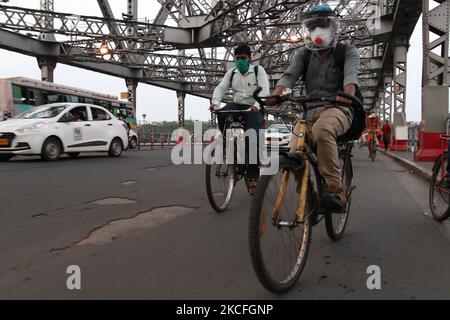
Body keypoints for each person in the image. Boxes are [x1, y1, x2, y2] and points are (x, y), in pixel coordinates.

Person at [266, 5, 360, 212]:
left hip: (338, 108)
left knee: (322, 131)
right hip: (309, 110)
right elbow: (289, 76)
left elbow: (351, 78)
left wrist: (348, 95)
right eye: (313, 26)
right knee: (294, 150)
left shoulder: (347, 52)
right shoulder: (304, 54)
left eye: (323, 25)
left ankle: (334, 190)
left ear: (333, 28)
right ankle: (307, 196)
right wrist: (276, 94)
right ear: (307, 31)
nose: (318, 30)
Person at [211, 44, 270, 194]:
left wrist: (258, 104)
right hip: (238, 104)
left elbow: (265, 90)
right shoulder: (232, 73)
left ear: (249, 59)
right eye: (237, 59)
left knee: (252, 140)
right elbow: (221, 88)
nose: (240, 61)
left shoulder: (258, 71)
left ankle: (252, 178)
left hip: (254, 107)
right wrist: (215, 103)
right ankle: (227, 143)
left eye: (243, 58)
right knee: (222, 113)